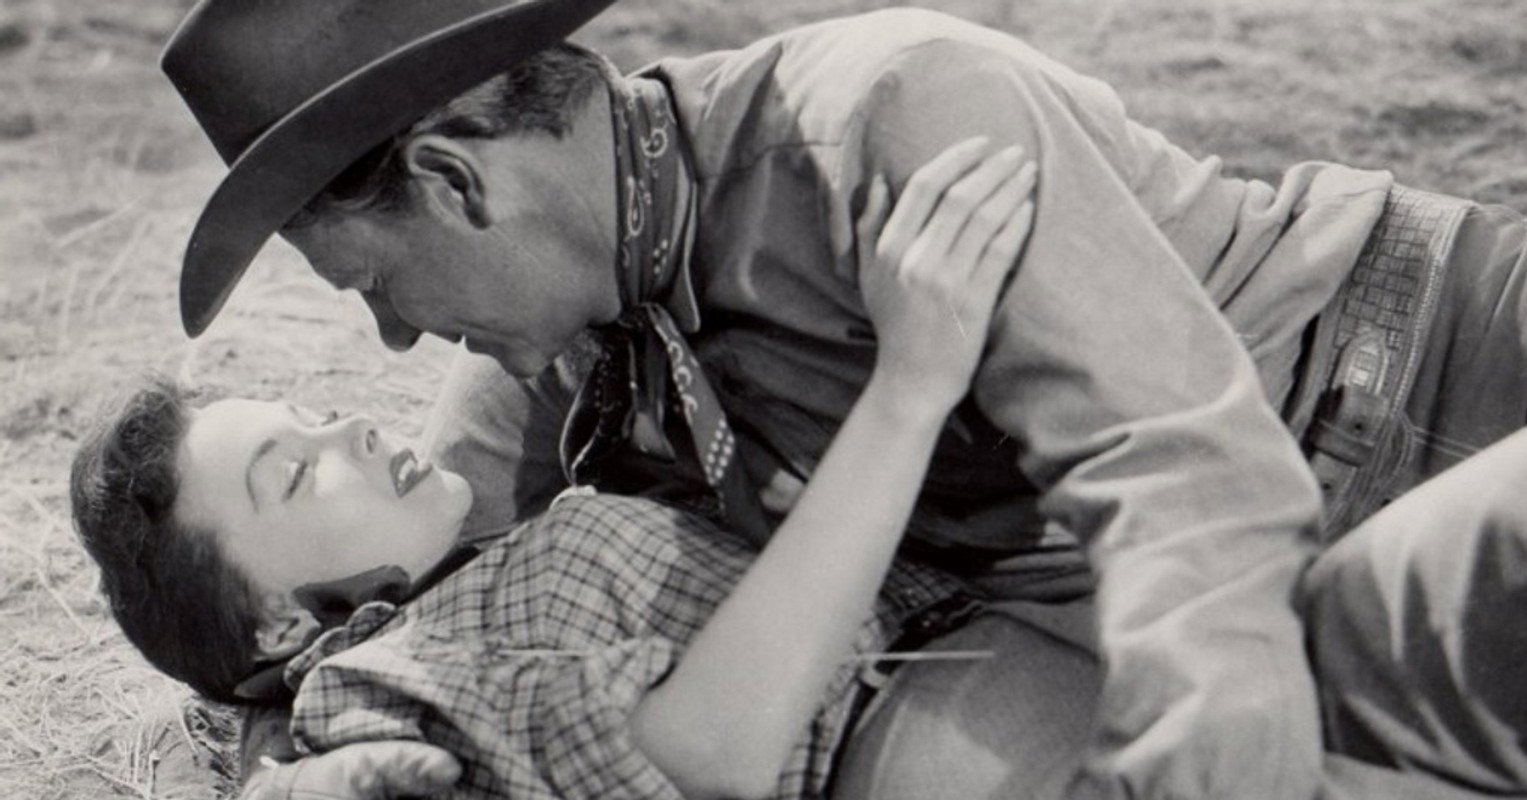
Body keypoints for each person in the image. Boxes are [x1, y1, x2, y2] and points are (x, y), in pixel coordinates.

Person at [157, 1, 1527, 797]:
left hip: (1483, 389)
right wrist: (271, 693)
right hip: (1315, 579)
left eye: (369, 288)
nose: (389, 350)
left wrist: (1213, 722)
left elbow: (1176, 468)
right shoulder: (549, 359)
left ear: (460, 186)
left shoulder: (893, 113)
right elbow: (403, 634)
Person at [72, 144, 1034, 800]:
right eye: (293, 474)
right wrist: (912, 383)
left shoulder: (474, 554)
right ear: (284, 621)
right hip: (932, 734)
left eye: (318, 418)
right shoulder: (373, 685)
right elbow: (704, 753)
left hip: (982, 657)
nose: (355, 430)